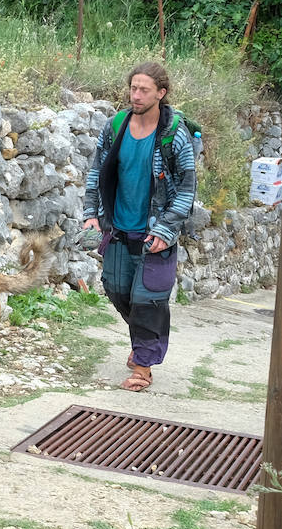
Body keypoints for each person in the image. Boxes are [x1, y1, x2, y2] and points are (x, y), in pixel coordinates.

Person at [81, 61, 196, 392]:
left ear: (161, 93)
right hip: (117, 228)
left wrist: (165, 229)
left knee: (148, 300)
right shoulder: (115, 125)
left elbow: (187, 187)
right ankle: (144, 337)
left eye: (144, 89)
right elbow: (97, 172)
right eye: (133, 88)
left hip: (154, 233)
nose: (136, 94)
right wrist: (92, 213)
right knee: (117, 291)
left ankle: (143, 366)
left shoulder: (174, 134)